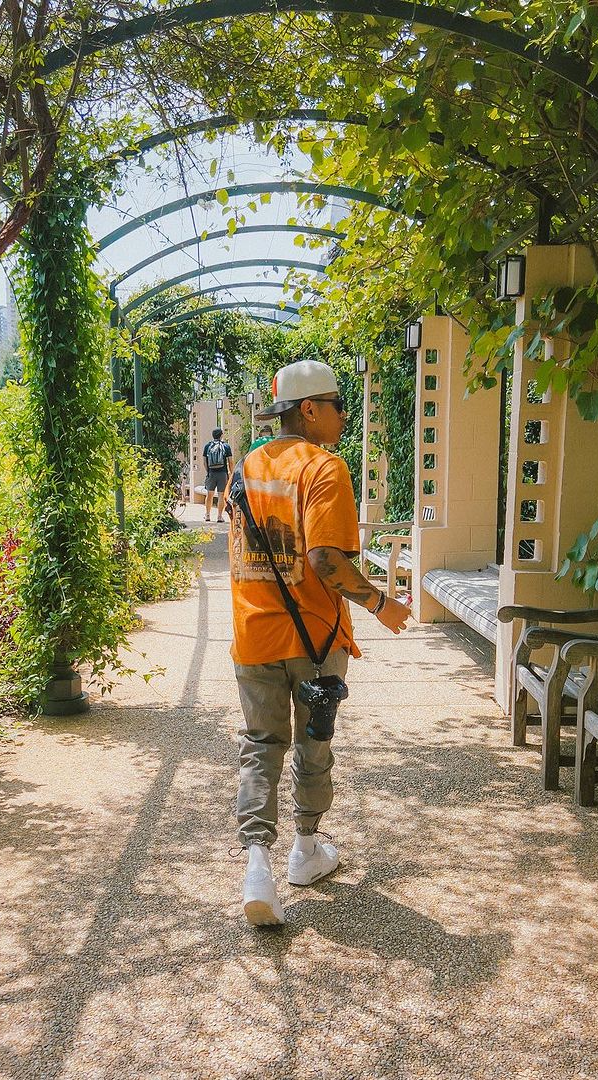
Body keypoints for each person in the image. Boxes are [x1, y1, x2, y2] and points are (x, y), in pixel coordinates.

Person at [227, 359, 411, 927]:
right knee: (314, 744)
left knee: (261, 746)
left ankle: (258, 865)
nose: (343, 415)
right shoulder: (325, 469)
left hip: (253, 635)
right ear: (309, 409)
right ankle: (304, 851)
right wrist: (382, 604)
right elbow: (326, 559)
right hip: (314, 639)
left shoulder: (246, 466)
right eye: (337, 405)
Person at [202, 427, 233, 523]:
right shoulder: (226, 446)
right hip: (222, 473)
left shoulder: (207, 446)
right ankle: (219, 516)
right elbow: (230, 462)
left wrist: (208, 471)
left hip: (211, 473)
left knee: (209, 494)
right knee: (221, 495)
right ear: (221, 435)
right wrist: (231, 473)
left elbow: (204, 462)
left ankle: (207, 515)